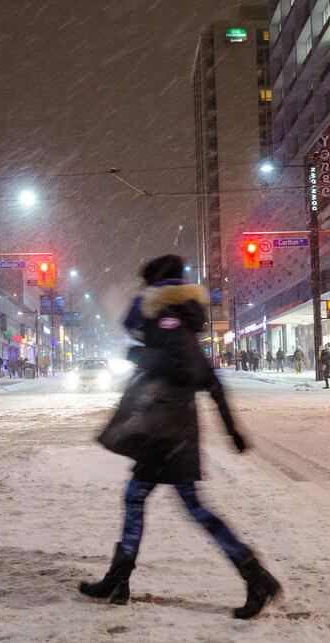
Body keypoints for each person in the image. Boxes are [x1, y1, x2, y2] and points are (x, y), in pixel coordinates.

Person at [80, 254, 281, 619]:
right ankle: (119, 578)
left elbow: (183, 368)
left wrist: (140, 355)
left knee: (184, 507)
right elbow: (209, 379)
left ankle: (255, 575)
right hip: (172, 428)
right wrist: (232, 429)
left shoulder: (168, 320)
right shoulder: (183, 324)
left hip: (167, 431)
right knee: (146, 498)